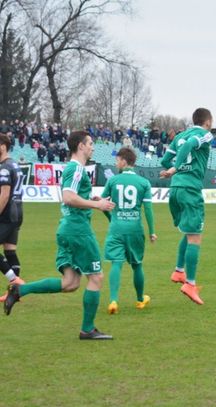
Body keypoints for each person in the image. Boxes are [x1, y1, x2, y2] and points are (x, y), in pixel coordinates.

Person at [4, 130, 116, 340]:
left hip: (67, 228)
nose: (92, 147)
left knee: (70, 283)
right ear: (80, 146)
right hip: (77, 230)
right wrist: (97, 205)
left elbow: (74, 197)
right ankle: (87, 330)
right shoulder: (76, 168)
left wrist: (93, 199)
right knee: (96, 277)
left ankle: (20, 290)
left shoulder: (74, 169)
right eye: (90, 143)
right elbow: (68, 197)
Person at [160, 108, 213, 305]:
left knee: (188, 232)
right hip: (190, 189)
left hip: (175, 189)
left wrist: (172, 168)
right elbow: (191, 144)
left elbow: (164, 160)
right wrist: (176, 168)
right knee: (195, 237)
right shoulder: (205, 134)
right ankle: (190, 284)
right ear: (208, 122)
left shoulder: (179, 136)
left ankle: (178, 271)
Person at [101, 147, 157, 314]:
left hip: (116, 229)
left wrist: (112, 219)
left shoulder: (113, 181)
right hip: (135, 230)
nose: (116, 163)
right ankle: (140, 300)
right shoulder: (144, 183)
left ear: (124, 161)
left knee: (116, 263)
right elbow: (148, 210)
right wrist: (152, 231)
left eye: (117, 160)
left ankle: (113, 300)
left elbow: (103, 204)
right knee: (137, 265)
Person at [0, 134, 24, 302]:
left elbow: (4, 195)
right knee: (10, 251)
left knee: (10, 252)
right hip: (18, 212)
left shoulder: (4, 168)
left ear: (3, 146)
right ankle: (15, 293)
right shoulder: (14, 164)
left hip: (8, 213)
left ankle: (14, 279)